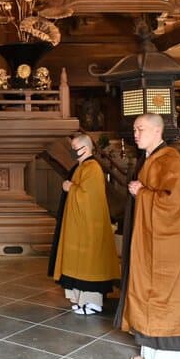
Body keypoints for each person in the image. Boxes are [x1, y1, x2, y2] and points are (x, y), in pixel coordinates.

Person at [118, 113, 180, 359]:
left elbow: (174, 203)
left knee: (165, 297)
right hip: (150, 240)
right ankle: (150, 354)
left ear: (158, 131)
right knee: (147, 293)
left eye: (141, 129)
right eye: (135, 129)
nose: (135, 134)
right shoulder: (149, 158)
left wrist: (143, 193)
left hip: (169, 244)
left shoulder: (169, 159)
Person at [49, 133, 119, 315]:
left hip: (89, 226)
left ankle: (93, 302)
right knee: (76, 261)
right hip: (77, 224)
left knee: (89, 263)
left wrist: (70, 188)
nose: (72, 152)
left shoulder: (93, 168)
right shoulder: (80, 167)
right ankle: (80, 300)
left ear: (85, 148)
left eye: (74, 149)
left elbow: (89, 196)